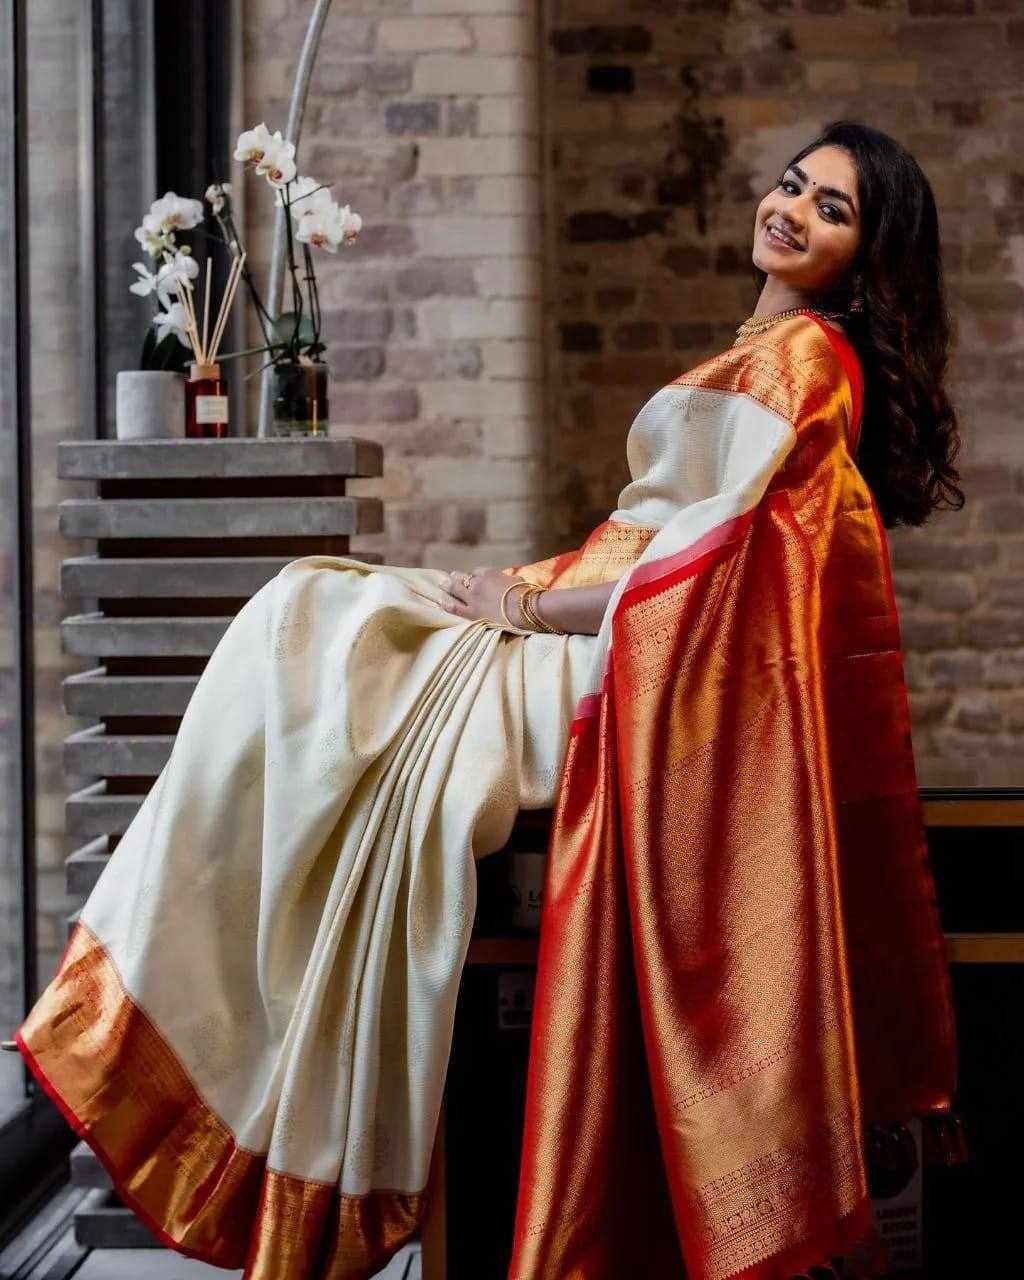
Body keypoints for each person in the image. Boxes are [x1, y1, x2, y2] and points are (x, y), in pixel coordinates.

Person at [10, 119, 966, 1280]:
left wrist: (524, 605)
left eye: (831, 209)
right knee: (315, 620)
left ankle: (137, 1017)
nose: (791, 210)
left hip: (618, 658)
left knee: (309, 624)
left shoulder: (802, 359)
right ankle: (164, 1010)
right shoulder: (783, 349)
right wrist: (521, 590)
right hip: (598, 623)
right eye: (792, 184)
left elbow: (708, 574)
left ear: (864, 258)